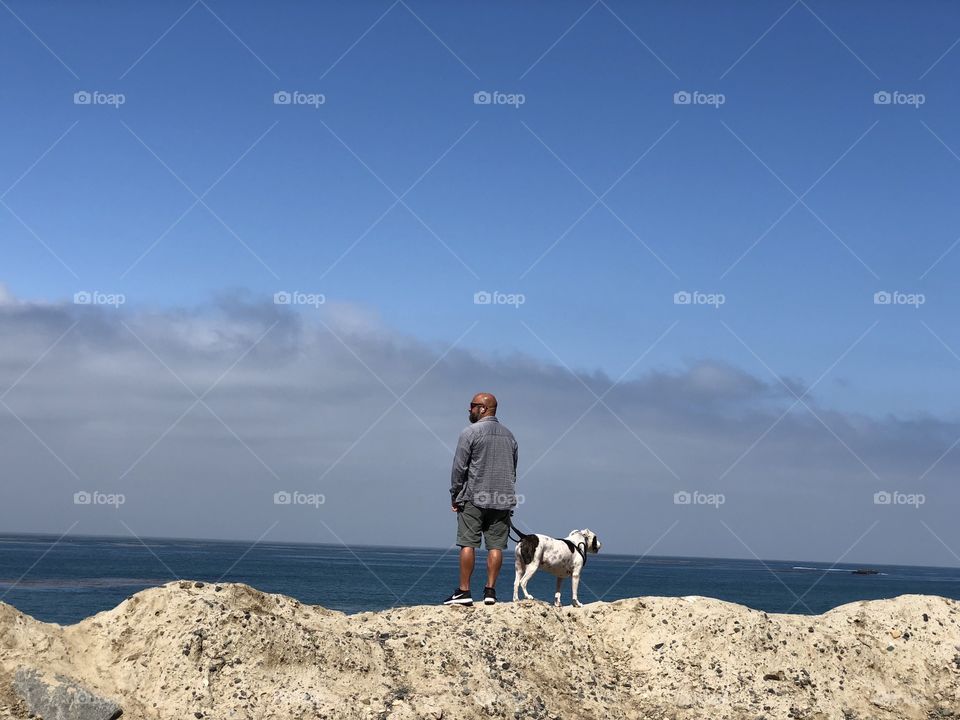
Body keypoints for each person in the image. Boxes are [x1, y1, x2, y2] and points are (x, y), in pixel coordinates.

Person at [443, 392, 518, 606]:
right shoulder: (510, 436)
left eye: (472, 405)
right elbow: (513, 469)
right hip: (502, 498)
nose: (469, 409)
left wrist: (455, 495)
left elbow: (459, 467)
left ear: (483, 409)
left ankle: (464, 591)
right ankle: (490, 591)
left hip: (474, 496)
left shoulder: (470, 432)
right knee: (496, 546)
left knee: (467, 543)